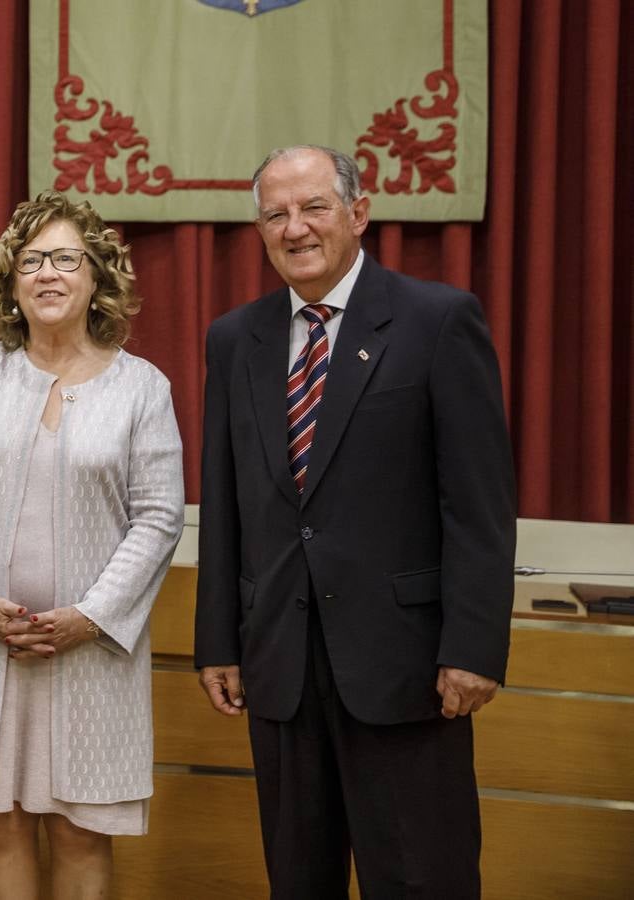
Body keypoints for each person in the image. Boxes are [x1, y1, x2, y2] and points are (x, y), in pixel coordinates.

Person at [194, 145, 516, 898]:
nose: (295, 228)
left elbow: (478, 503)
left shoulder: (437, 320)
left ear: (359, 212)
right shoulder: (236, 338)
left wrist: (474, 647)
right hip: (279, 668)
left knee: (419, 879)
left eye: (314, 207)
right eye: (275, 214)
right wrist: (218, 640)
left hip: (407, 668)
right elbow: (225, 497)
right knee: (297, 881)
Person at [0, 191, 184, 899]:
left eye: (67, 259)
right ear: (11, 281)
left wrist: (89, 617)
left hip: (92, 651)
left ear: (97, 276)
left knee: (80, 828)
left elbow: (157, 518)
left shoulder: (142, 388)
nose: (49, 274)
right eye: (31, 261)